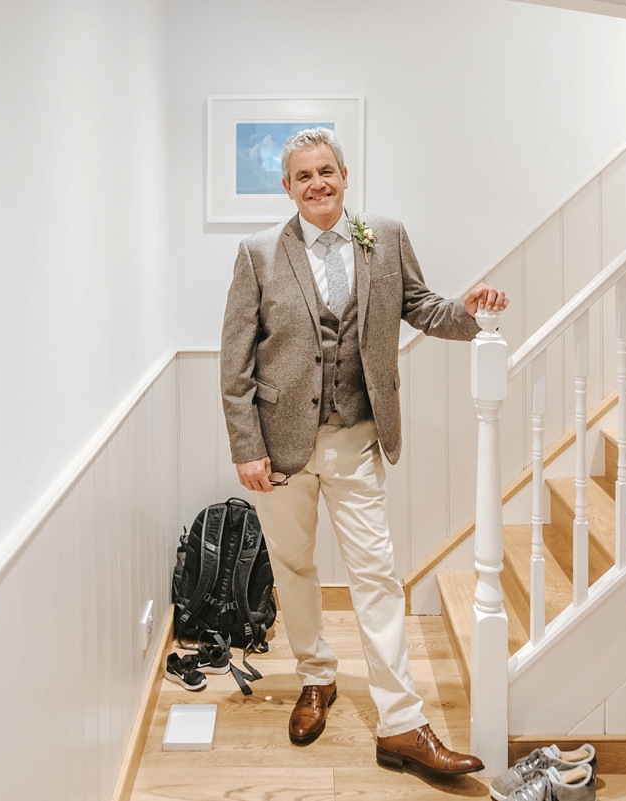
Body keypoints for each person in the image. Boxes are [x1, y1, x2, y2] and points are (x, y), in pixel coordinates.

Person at [220, 127, 508, 777]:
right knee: (293, 567)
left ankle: (401, 722)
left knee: (376, 572)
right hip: (282, 448)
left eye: (327, 171)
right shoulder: (259, 252)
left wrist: (469, 311)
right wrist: (247, 446)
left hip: (356, 441)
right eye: (303, 176)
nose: (317, 184)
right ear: (287, 187)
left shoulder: (385, 237)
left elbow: (423, 308)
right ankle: (317, 677)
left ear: (345, 177)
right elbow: (234, 361)